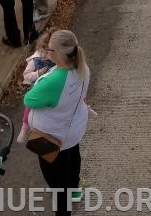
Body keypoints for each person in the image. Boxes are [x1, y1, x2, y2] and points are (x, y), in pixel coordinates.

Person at [24, 29, 90, 216]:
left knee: (56, 182)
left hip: (50, 138)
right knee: (72, 160)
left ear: (60, 55)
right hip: (73, 130)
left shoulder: (54, 80)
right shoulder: (82, 68)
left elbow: (29, 100)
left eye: (50, 50)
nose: (47, 52)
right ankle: (74, 189)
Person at [17, 29, 54, 144]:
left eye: (46, 52)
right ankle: (24, 127)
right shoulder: (35, 61)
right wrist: (37, 74)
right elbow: (26, 76)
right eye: (41, 51)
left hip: (50, 89)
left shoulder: (55, 60)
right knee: (29, 106)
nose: (43, 55)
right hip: (37, 88)